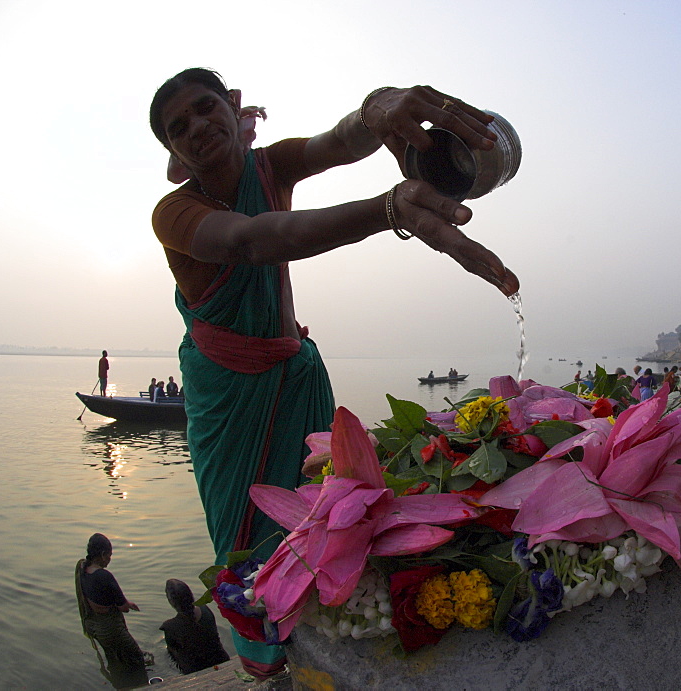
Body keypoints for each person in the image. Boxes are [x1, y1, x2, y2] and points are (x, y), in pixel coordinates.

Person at [149, 69, 518, 677]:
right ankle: (268, 668)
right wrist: (386, 209)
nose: (196, 127)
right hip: (226, 399)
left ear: (230, 107)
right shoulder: (175, 212)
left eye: (204, 108)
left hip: (295, 375)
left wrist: (380, 108)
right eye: (177, 127)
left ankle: (329, 643)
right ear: (173, 149)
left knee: (326, 514)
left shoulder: (268, 166)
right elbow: (251, 240)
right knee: (246, 539)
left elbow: (342, 142)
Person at [76, 533, 149, 689]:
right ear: (102, 555)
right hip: (111, 630)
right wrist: (126, 605)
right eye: (109, 556)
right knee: (136, 658)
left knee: (114, 660)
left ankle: (119, 685)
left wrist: (127, 603)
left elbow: (101, 599)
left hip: (96, 628)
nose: (109, 560)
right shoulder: (104, 576)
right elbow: (123, 608)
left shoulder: (83, 569)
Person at [160, 579, 230, 675]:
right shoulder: (205, 610)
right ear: (191, 596)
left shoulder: (169, 627)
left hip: (194, 670)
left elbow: (173, 653)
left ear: (171, 601)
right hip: (221, 660)